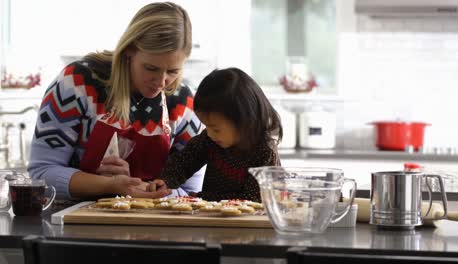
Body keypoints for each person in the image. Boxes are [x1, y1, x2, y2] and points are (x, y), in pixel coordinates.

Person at [28, 2, 204, 200]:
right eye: (151, 68)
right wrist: (109, 185)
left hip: (155, 226)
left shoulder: (183, 104)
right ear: (129, 50)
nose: (161, 82)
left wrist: (143, 188)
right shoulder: (77, 83)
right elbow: (41, 174)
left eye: (173, 71)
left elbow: (191, 193)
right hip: (75, 223)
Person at [148, 67, 283, 202]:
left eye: (216, 129)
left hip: (249, 221)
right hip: (214, 215)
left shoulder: (264, 152)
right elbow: (184, 161)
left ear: (244, 122)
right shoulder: (210, 139)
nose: (210, 134)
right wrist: (165, 181)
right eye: (207, 127)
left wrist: (202, 198)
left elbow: (253, 199)